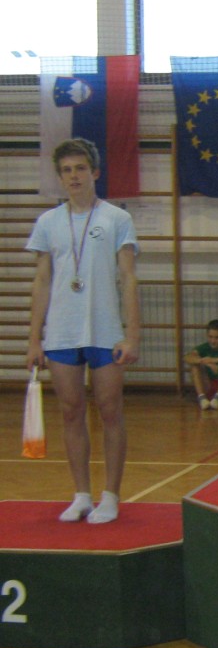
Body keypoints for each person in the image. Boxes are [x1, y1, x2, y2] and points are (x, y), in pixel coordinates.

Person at [25, 138, 141, 524]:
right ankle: (81, 494)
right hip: (62, 332)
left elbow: (129, 278)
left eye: (79, 169)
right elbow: (42, 280)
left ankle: (111, 495)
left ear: (95, 172)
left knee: (110, 410)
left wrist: (132, 335)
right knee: (71, 411)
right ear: (60, 178)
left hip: (105, 331)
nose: (73, 176)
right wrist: (34, 338)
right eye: (66, 170)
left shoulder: (116, 219)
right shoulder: (48, 223)